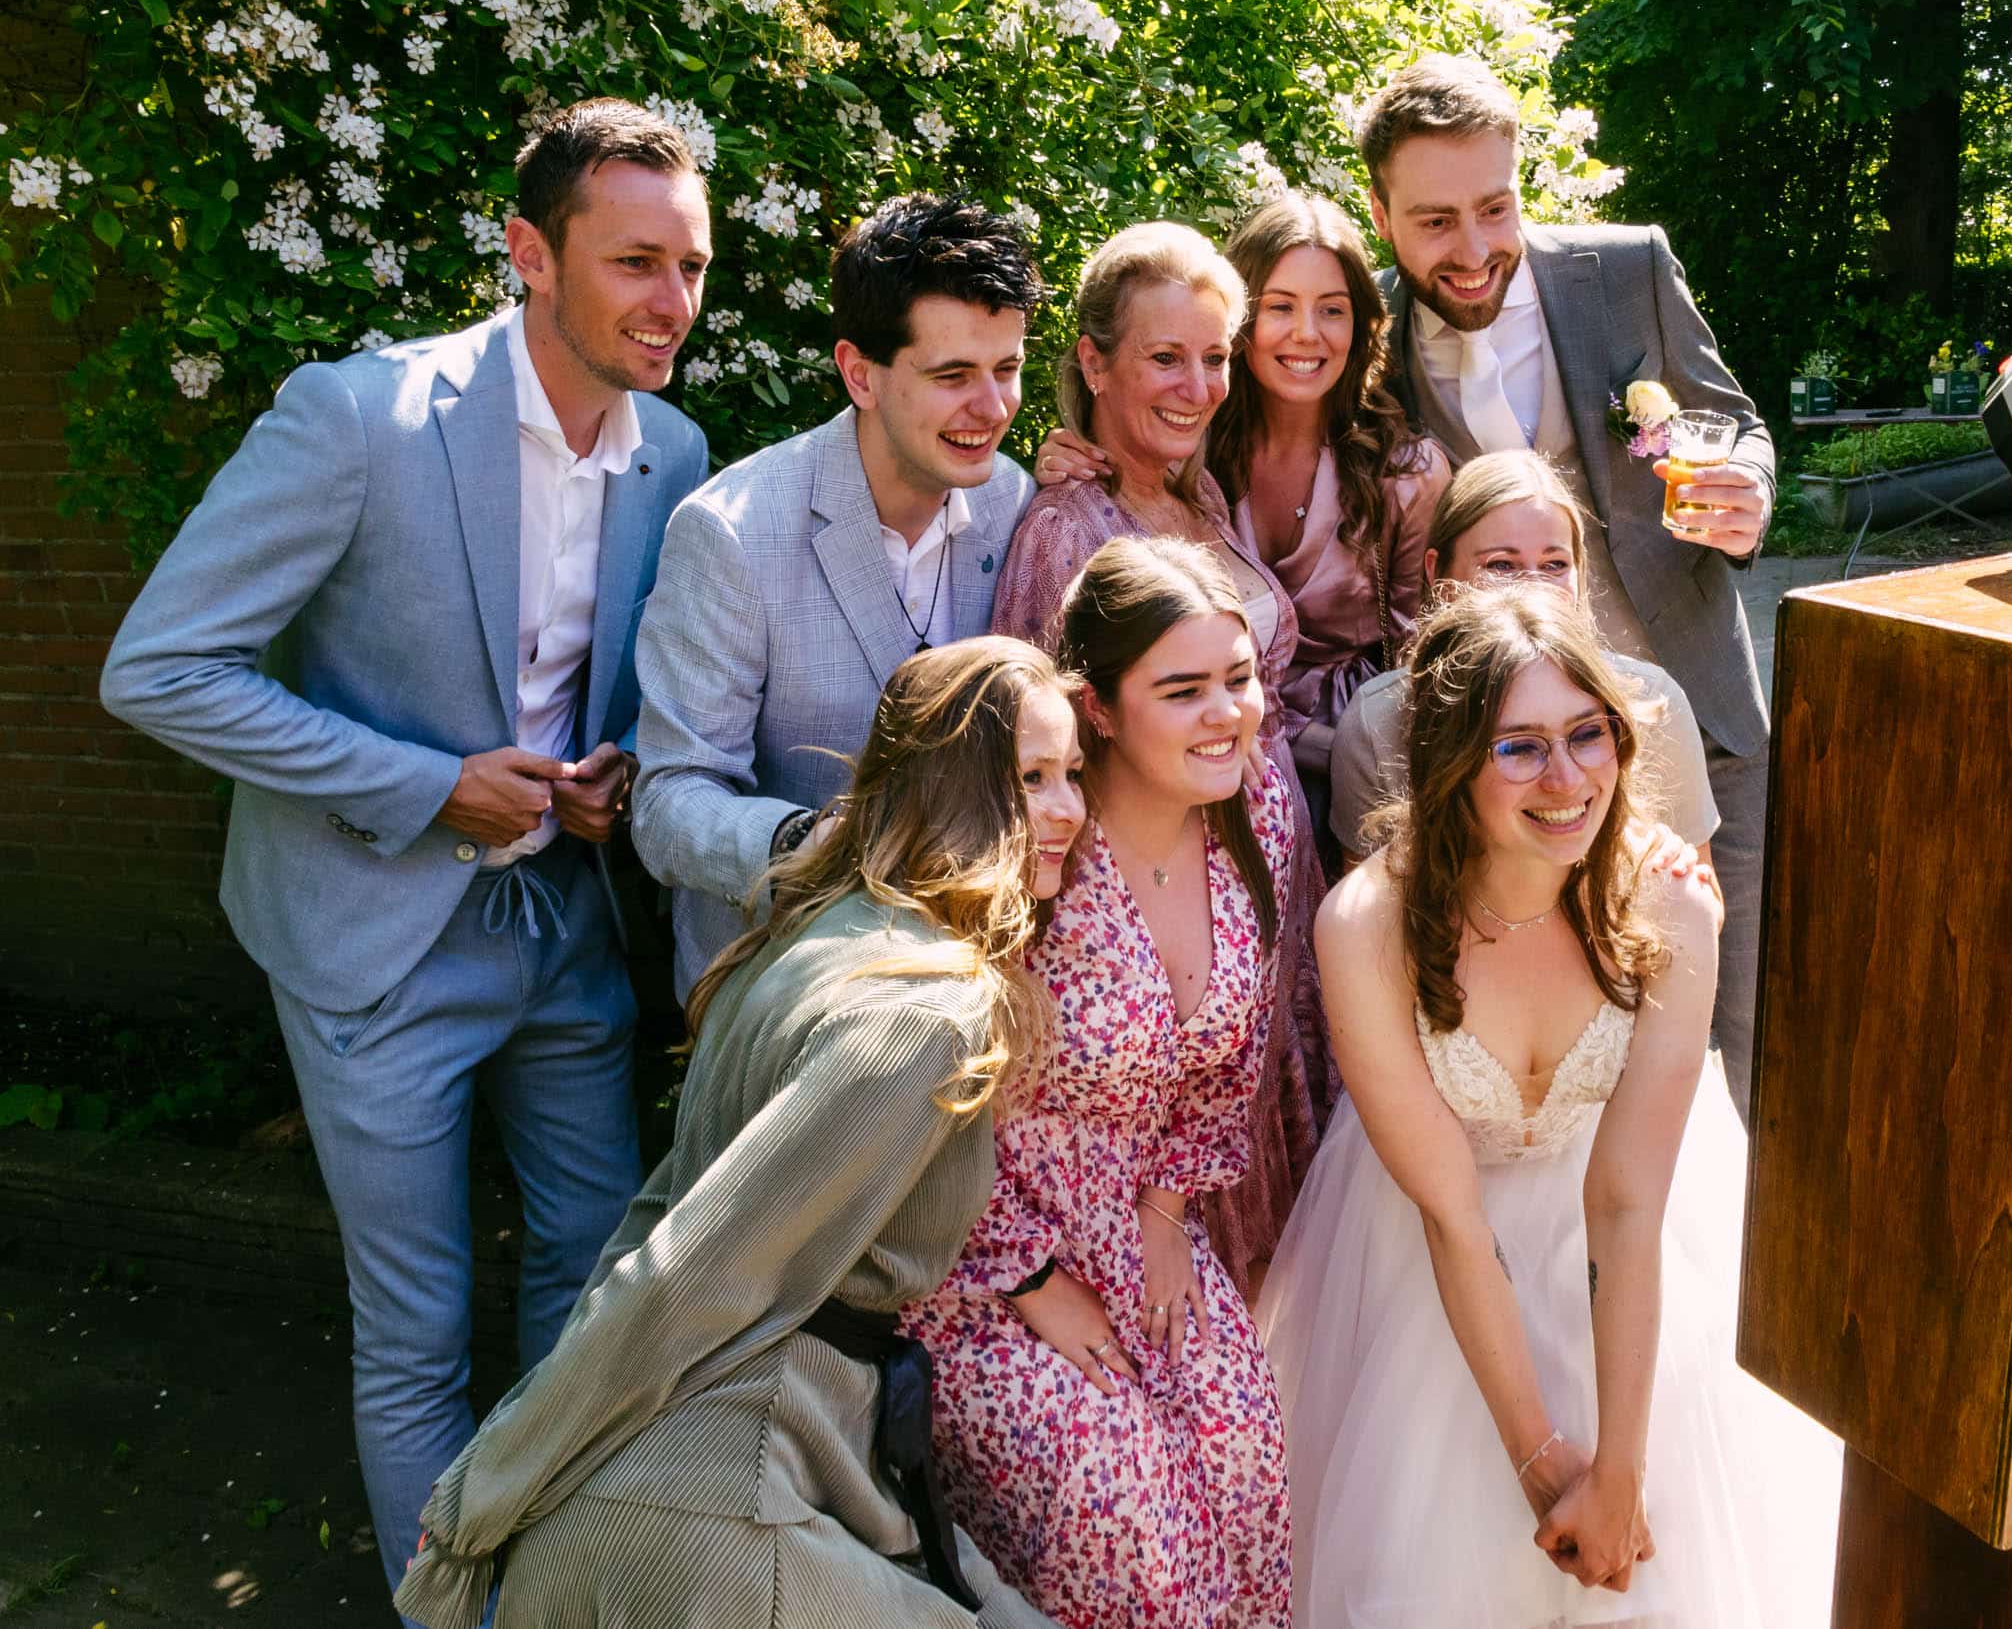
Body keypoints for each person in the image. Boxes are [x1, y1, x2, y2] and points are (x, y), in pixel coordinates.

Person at [98, 98, 712, 1616]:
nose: (673, 304)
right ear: (528, 253)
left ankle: (557, 1585)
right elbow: (162, 667)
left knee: (598, 1290)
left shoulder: (678, 445)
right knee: (417, 1325)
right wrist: (431, 784)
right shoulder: (359, 418)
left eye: (694, 266)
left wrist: (603, 772)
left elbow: (605, 683)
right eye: (637, 262)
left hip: (565, 933)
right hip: (371, 939)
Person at [393, 638, 1084, 1629]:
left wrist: (514, 1460)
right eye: (1031, 778)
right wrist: (479, 1498)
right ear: (947, 787)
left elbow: (651, 1224)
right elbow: (689, 1265)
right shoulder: (924, 1008)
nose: (1069, 809)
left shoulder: (826, 934)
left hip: (713, 1466)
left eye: (1070, 775)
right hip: (715, 1502)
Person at [1259, 586, 1840, 1629]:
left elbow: (1624, 1204)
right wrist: (1537, 1457)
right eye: (1518, 747)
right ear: (1450, 763)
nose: (1567, 777)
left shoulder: (1665, 906)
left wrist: (1618, 1467)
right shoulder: (1368, 923)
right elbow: (1451, 1216)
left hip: (1625, 1249)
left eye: (1587, 734)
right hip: (1431, 1253)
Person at [1359, 53, 1776, 1114]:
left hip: (1695, 719)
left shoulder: (1625, 266)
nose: (1472, 248)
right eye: (1434, 220)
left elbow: (1735, 421)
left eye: (1494, 208)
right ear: (1380, 211)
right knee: (1557, 1047)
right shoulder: (1363, 339)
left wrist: (1750, 491)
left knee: (1742, 1018)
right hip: (1512, 771)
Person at [907, 539, 1294, 1629]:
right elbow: (923, 1093)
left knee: (1243, 1449)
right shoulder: (1028, 840)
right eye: (1184, 689)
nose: (1229, 713)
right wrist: (1025, 1275)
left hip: (1138, 1217)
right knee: (1123, 1511)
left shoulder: (1252, 809)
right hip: (976, 1254)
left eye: (1239, 677)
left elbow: (1231, 1056)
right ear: (1101, 709)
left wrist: (1170, 1204)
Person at [994, 221, 1327, 1287]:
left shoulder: (1195, 494)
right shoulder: (1065, 529)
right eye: (1164, 357)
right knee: (1190, 1221)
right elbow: (1048, 758)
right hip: (1154, 934)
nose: (1197, 385)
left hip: (1263, 886)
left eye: (1215, 356)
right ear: (1092, 361)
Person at [633, 192, 1043, 999]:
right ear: (859, 373)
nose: (992, 409)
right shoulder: (731, 532)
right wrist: (815, 839)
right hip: (779, 985)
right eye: (953, 375)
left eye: (1008, 369)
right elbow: (667, 802)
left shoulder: (1014, 501)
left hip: (971, 984)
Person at [1038, 194, 1452, 839]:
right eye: (1281, 307)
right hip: (1187, 786)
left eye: (1333, 310)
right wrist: (1064, 456)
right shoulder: (1197, 456)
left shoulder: (1404, 472)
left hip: (1365, 765)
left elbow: (1420, 662)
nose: (1307, 333)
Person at [1329, 450, 1717, 869]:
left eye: (1554, 564)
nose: (1533, 587)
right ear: (1438, 577)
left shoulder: (1651, 702)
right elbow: (1364, 912)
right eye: (1501, 564)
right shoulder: (1379, 721)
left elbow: (1703, 903)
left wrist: (1666, 876)